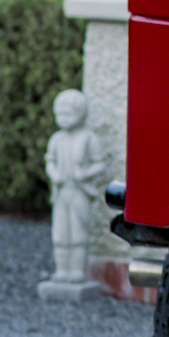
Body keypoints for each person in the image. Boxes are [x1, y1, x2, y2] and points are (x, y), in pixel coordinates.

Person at [44, 90, 106, 284]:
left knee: (79, 230)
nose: (63, 118)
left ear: (80, 114)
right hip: (62, 192)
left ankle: (77, 271)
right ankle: (62, 270)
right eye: (59, 114)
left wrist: (85, 174)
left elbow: (100, 164)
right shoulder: (56, 139)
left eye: (68, 114)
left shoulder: (88, 138)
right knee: (60, 232)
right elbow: (50, 162)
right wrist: (54, 175)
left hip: (80, 192)